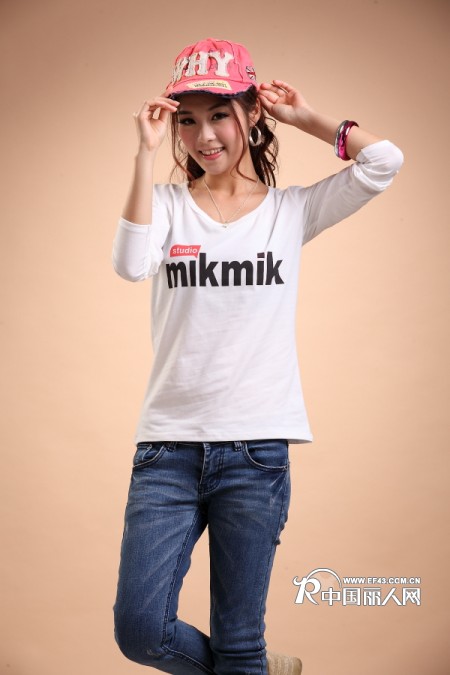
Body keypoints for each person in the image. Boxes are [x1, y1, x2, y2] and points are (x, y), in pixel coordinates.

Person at [111, 38, 404, 675]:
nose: (204, 135)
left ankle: (249, 665)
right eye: (188, 120)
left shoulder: (291, 212)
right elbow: (131, 264)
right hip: (167, 451)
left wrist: (308, 118)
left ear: (251, 114)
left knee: (240, 642)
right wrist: (143, 152)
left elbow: (384, 161)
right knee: (140, 633)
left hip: (255, 452)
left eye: (220, 114)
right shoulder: (167, 207)